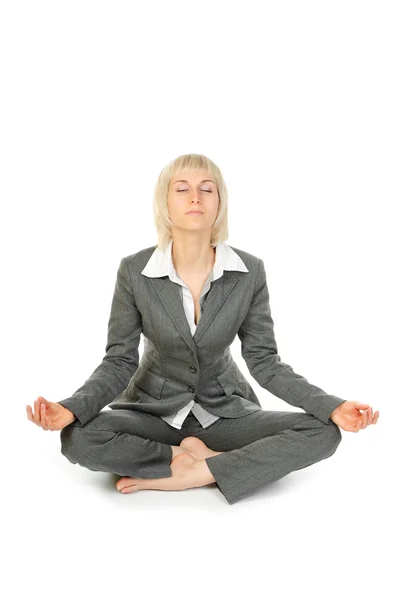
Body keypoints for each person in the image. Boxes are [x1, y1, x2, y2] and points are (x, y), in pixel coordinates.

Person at [26, 153, 379, 505]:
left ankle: (199, 471)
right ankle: (179, 456)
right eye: (182, 189)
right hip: (154, 411)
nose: (195, 197)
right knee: (78, 438)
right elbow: (119, 361)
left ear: (219, 202)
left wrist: (332, 406)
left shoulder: (249, 271)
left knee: (322, 432)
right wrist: (72, 408)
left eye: (206, 189)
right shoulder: (135, 271)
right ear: (166, 202)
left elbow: (264, 361)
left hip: (224, 412)